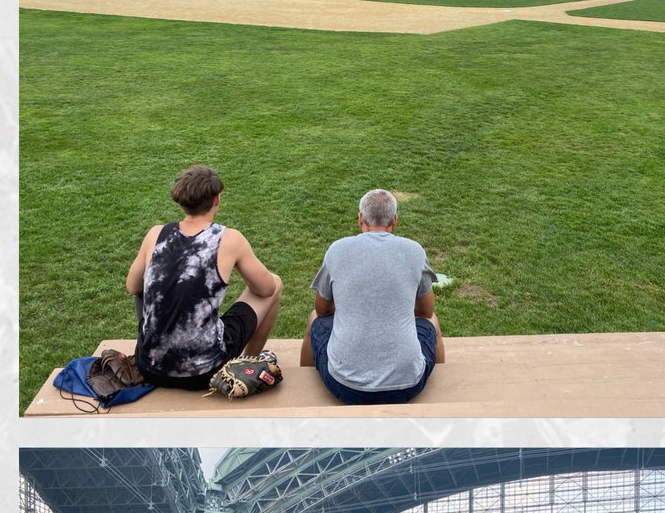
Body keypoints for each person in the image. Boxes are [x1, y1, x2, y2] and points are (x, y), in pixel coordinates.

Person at [129, 165, 282, 389]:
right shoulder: (230, 239)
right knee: (275, 282)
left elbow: (132, 286)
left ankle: (159, 346)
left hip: (150, 367)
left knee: (145, 289)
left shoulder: (155, 234)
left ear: (181, 200)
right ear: (217, 199)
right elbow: (266, 289)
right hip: (205, 372)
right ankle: (248, 364)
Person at [302, 189, 445, 405]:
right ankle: (445, 391)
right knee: (432, 322)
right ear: (395, 220)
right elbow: (426, 312)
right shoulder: (414, 251)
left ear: (360, 218)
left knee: (314, 318)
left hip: (345, 386)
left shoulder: (337, 250)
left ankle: (301, 389)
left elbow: (322, 311)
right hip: (408, 386)